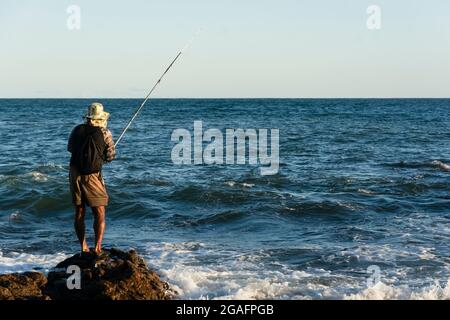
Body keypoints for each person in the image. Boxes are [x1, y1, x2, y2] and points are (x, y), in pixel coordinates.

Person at [68, 103, 115, 254]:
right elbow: (110, 156)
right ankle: (97, 247)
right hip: (92, 175)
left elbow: (70, 148)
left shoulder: (76, 130)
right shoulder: (105, 132)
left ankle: (83, 246)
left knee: (79, 211)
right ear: (101, 118)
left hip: (74, 173)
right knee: (99, 212)